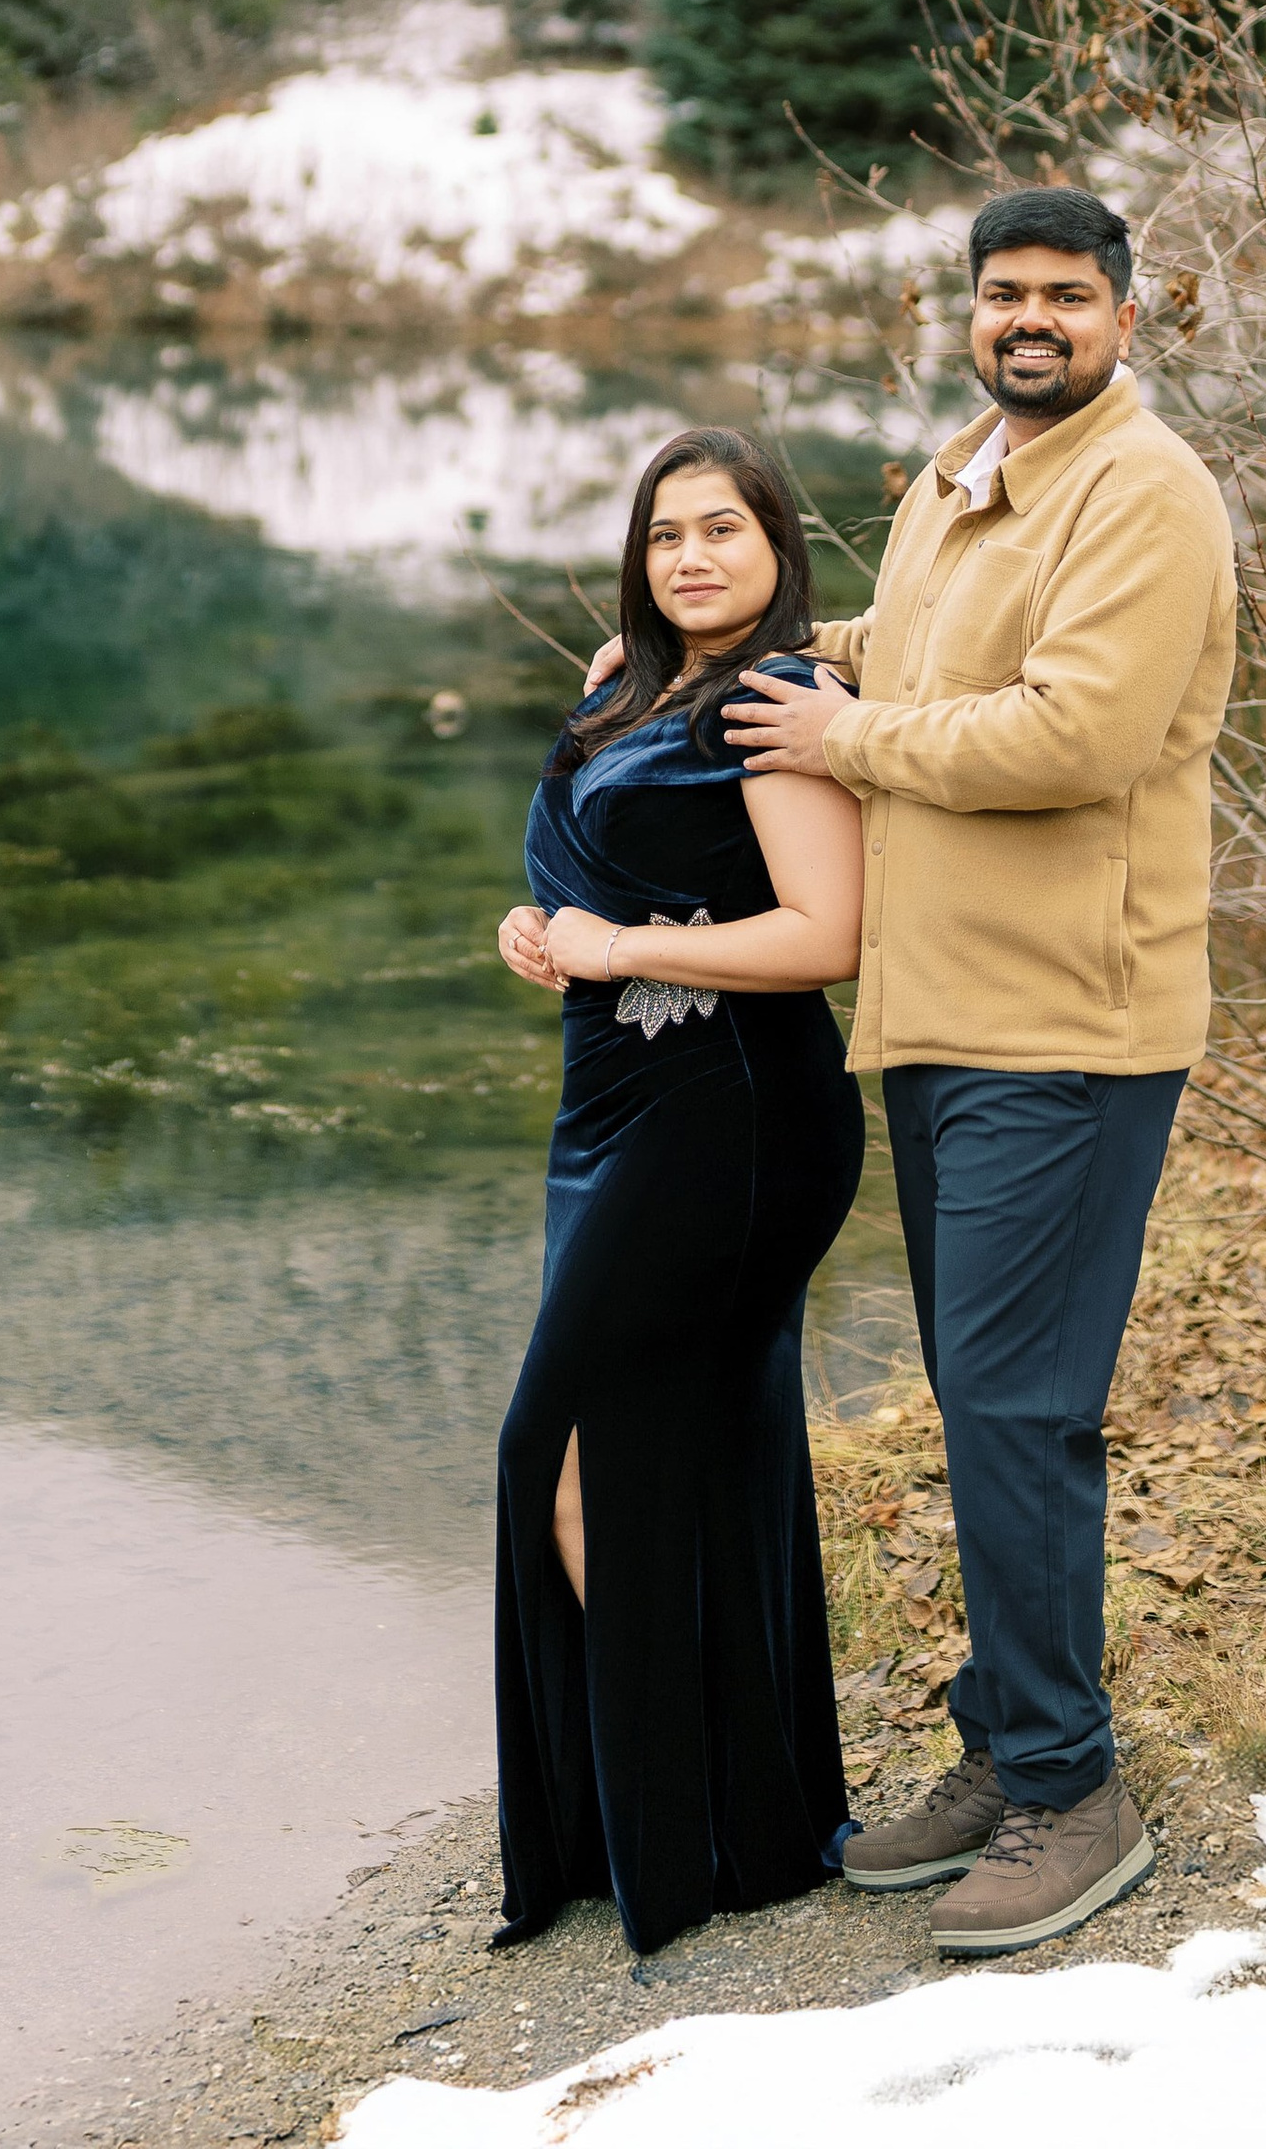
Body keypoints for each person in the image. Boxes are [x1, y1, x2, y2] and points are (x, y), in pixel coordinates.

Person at [722, 185, 1235, 1956]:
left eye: (1067, 297)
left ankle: (1071, 1793)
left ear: (1123, 318)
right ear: (970, 314)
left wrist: (846, 735)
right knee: (983, 1400)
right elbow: (924, 657)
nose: (1033, 319)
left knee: (1020, 1408)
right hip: (943, 1016)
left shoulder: (1142, 492)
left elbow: (1074, 731)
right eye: (1005, 294)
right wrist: (752, 666)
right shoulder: (964, 474)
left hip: (1066, 1026)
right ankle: (1010, 1738)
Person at [488, 428, 866, 1960]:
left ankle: (675, 1812)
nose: (693, 557)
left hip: (734, 1116)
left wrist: (624, 947)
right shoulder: (616, 683)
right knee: (692, 1440)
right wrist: (537, 926)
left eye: (724, 528)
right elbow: (593, 877)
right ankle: (733, 1819)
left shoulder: (782, 702)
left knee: (560, 1448)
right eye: (665, 535)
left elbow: (825, 931)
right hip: (615, 1108)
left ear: (779, 544)